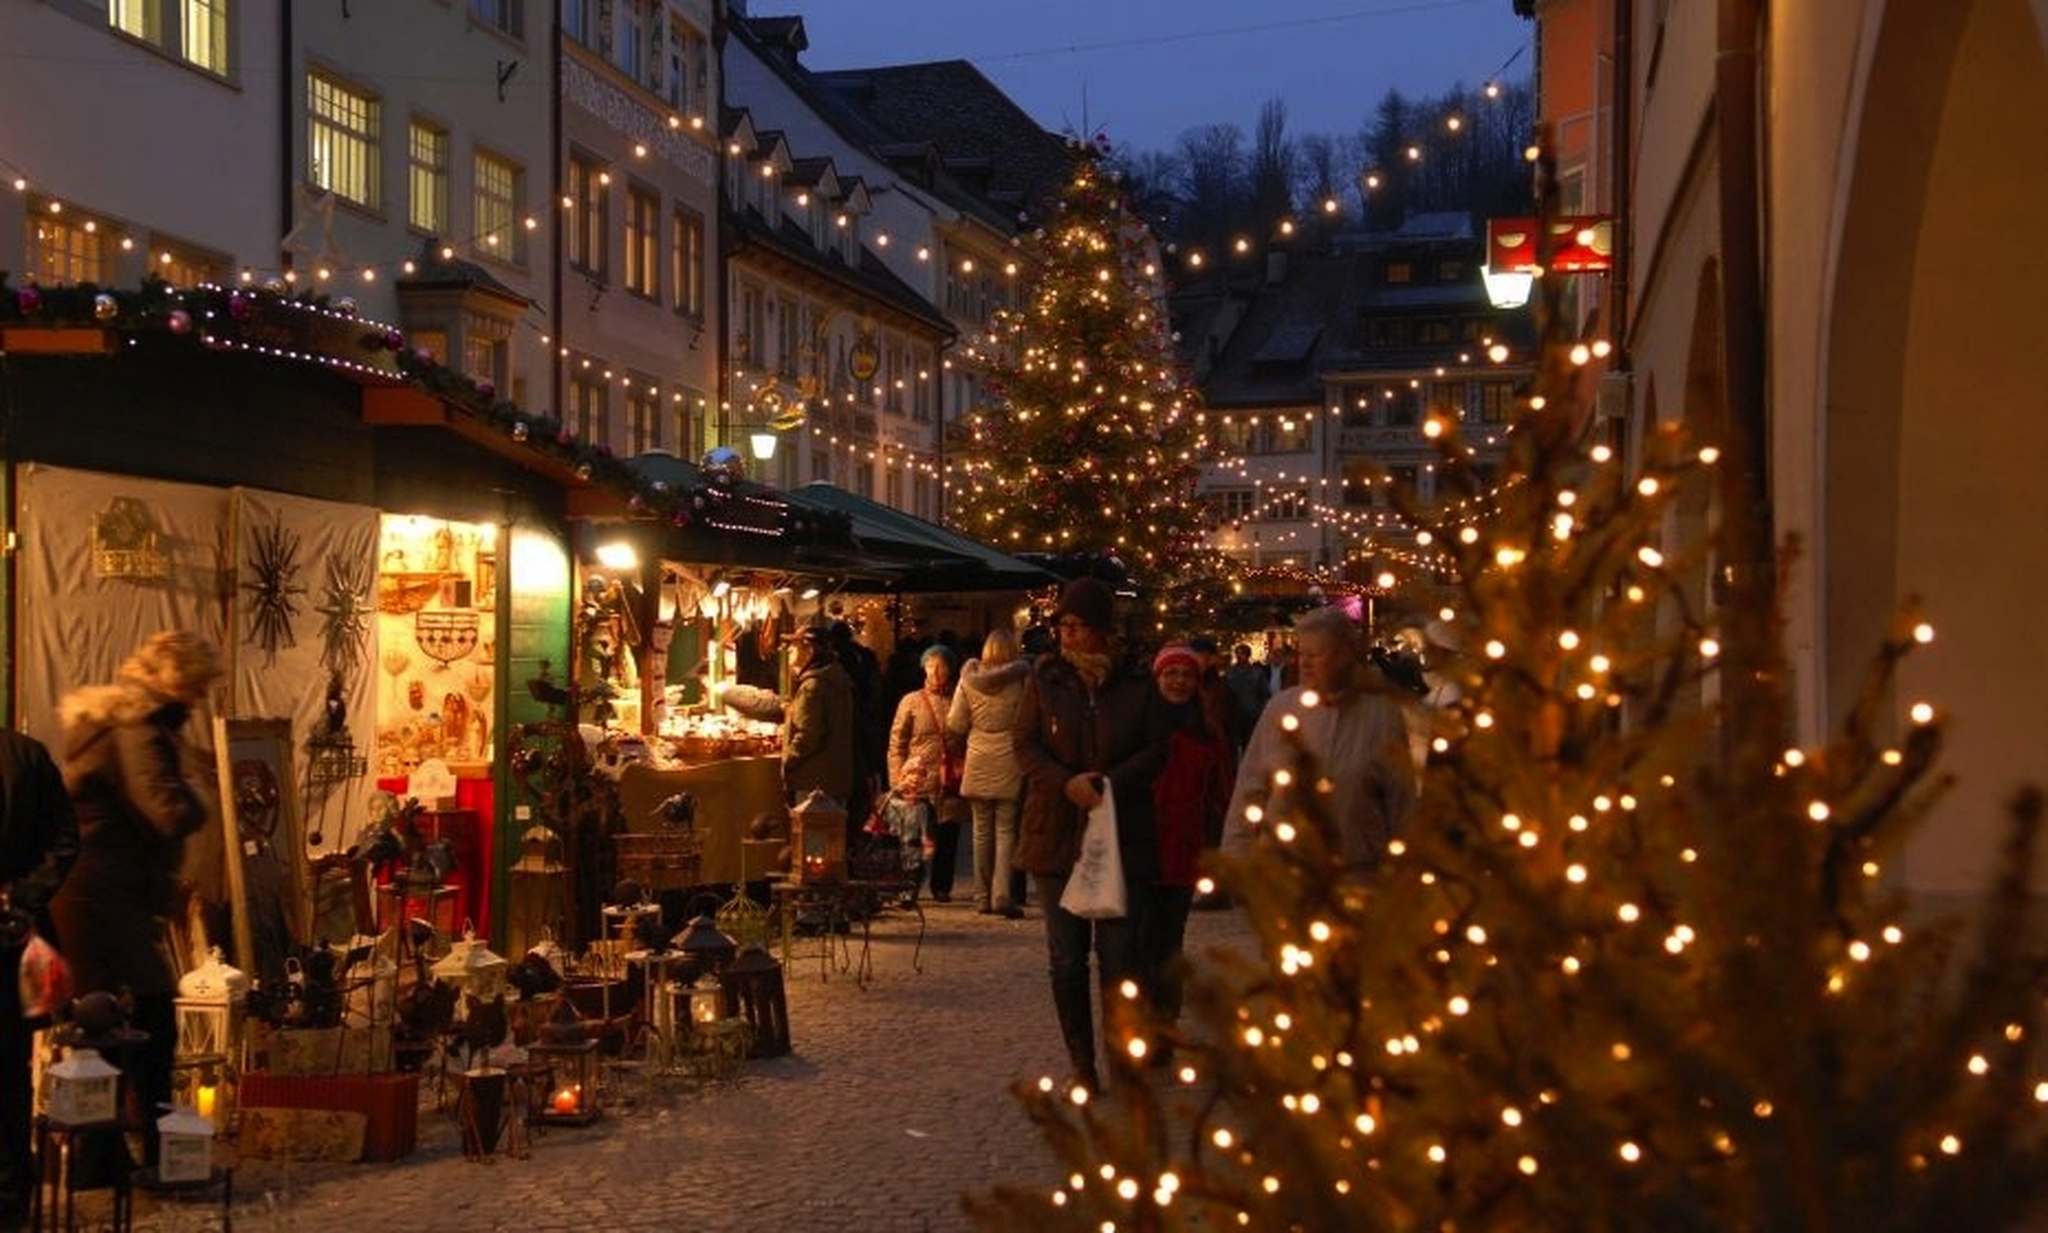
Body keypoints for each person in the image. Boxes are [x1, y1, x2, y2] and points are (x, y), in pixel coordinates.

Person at [48, 630, 222, 1169]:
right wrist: (200, 795)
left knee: (102, 1018)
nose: (197, 700)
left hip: (98, 889)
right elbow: (165, 810)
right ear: (176, 682)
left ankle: (102, 1149)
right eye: (194, 687)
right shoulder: (138, 729)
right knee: (148, 1012)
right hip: (103, 891)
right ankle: (151, 1142)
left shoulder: (127, 723)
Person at [1014, 577, 1166, 1092]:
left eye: (1077, 626)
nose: (1068, 636)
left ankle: (1123, 1058)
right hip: (1055, 835)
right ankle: (1082, 1062)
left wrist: (1109, 784)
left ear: (1102, 631)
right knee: (1066, 959)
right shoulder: (1046, 681)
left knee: (1121, 957)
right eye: (1063, 626)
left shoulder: (1137, 685)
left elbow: (1155, 749)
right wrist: (1067, 784)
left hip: (1122, 836)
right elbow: (1026, 744)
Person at [1224, 605, 1418, 871]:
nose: (1304, 662)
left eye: (1315, 654)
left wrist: (1405, 869)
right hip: (1285, 874)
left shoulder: (1381, 715)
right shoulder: (1281, 709)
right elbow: (1250, 789)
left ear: (1345, 655)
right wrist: (1237, 859)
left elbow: (1401, 800)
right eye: (1301, 653)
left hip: (1357, 874)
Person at [1133, 643, 1234, 1057]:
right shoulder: (1137, 727)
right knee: (1136, 944)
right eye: (1170, 674)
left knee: (1169, 944)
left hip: (1182, 849)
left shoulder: (1207, 733)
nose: (1178, 682)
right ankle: (1137, 1023)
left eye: (1186, 675)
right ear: (1157, 678)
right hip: (1139, 846)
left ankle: (1164, 1027)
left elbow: (1221, 793)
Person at [0, 729, 78, 1224]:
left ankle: (10, 1194)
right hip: (14, 933)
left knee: (8, 1071)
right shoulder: (25, 753)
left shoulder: (24, 755)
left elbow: (64, 838)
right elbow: (65, 840)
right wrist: (25, 894)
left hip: (12, 939)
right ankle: (11, 1198)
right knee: (8, 1073)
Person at [947, 628, 1029, 918]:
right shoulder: (1021, 678)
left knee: (981, 830)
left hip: (979, 754)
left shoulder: (968, 679)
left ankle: (980, 897)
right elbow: (1027, 720)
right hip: (1009, 755)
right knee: (1007, 830)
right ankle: (1002, 894)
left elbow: (955, 722)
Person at [887, 645, 966, 902]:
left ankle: (941, 887)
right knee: (913, 836)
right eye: (931, 665)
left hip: (950, 779)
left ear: (950, 669)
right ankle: (909, 886)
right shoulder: (911, 701)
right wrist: (897, 778)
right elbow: (897, 743)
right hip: (917, 779)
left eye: (941, 665)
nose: (935, 671)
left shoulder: (960, 699)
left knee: (948, 835)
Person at [780, 626, 856, 821]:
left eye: (794, 647)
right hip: (834, 777)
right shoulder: (837, 679)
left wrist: (788, 759)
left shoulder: (813, 686)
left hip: (813, 779)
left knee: (813, 844)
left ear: (809, 651)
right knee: (830, 839)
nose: (788, 651)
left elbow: (809, 734)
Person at [1222, 641, 1272, 749]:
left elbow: (1264, 693)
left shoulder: (1257, 672)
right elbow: (1224, 692)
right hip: (1233, 714)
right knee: (1232, 747)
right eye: (1238, 653)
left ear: (1248, 655)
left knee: (1249, 746)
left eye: (1242, 653)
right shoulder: (1230, 672)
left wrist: (1260, 709)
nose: (1240, 656)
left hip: (1251, 713)